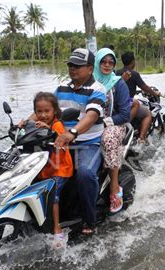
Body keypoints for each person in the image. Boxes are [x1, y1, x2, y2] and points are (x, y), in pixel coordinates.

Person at [22, 48, 107, 235]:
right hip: (57, 140)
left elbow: (92, 115)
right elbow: (45, 107)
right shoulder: (62, 86)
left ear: (90, 69)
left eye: (77, 66)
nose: (72, 69)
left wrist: (73, 132)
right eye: (70, 65)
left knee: (84, 174)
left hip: (86, 142)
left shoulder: (98, 90)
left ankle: (89, 219)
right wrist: (25, 123)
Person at [93, 48, 131, 213]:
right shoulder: (89, 81)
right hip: (88, 124)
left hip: (114, 124)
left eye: (111, 62)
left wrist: (104, 122)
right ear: (97, 62)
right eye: (103, 61)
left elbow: (125, 114)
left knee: (108, 139)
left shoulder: (118, 83)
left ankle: (115, 187)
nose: (107, 65)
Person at [33, 92, 73, 246]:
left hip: (60, 168)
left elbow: (60, 137)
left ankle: (57, 229)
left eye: (46, 111)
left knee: (52, 192)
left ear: (54, 111)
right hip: (46, 166)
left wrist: (49, 130)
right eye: (39, 111)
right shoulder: (36, 123)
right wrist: (22, 125)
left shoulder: (56, 125)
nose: (42, 115)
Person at [116, 52, 161, 149]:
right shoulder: (133, 74)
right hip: (128, 102)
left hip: (116, 104)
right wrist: (155, 93)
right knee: (147, 114)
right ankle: (141, 139)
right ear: (133, 62)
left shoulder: (116, 72)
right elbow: (145, 87)